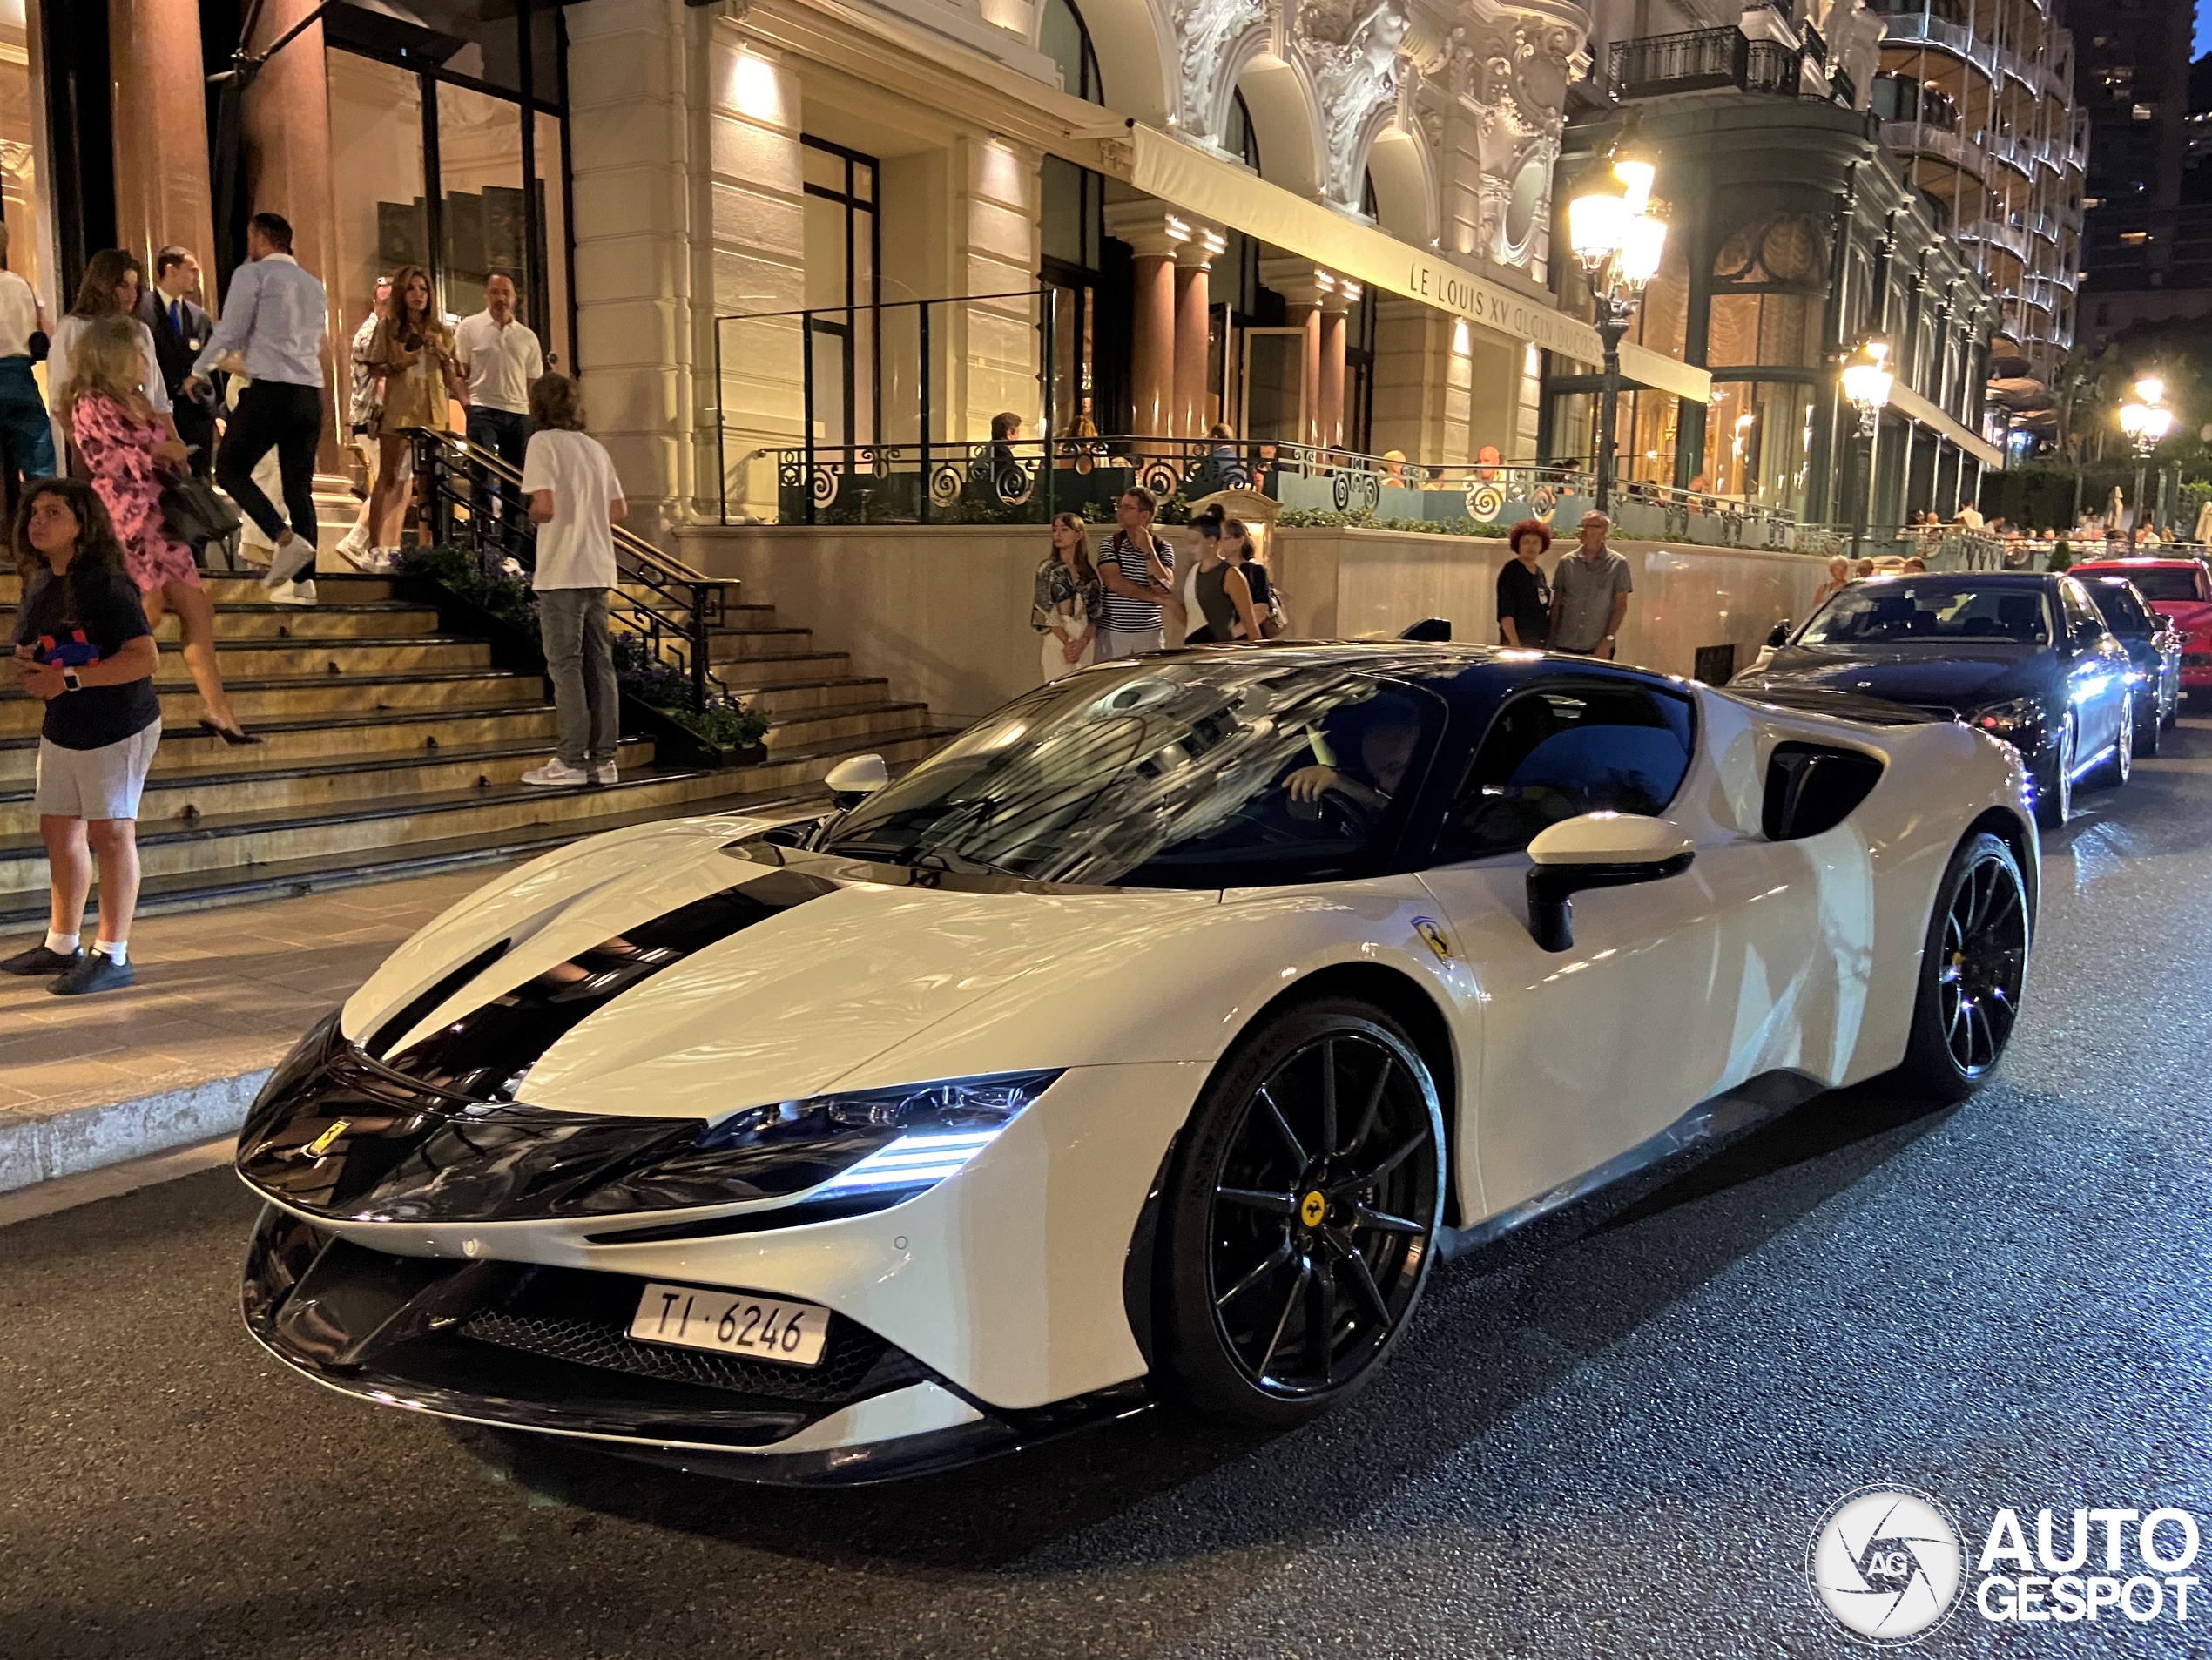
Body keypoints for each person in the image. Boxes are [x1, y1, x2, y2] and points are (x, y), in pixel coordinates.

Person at [2, 478, 162, 995]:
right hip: (65, 723)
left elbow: (144, 658)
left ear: (83, 523)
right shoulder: (42, 582)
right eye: (33, 514)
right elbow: (36, 649)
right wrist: (27, 667)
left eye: (53, 511)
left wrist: (67, 678)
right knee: (59, 831)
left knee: (111, 835)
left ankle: (113, 954)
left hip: (117, 722)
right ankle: (61, 942)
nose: (38, 522)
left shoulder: (107, 585)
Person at [62, 317, 253, 745]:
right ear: (111, 358)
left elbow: (161, 447)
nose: (144, 363)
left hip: (163, 517)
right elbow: (105, 463)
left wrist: (175, 453)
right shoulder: (91, 403)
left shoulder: (140, 402)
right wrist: (155, 451)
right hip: (127, 519)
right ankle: (97, 689)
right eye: (136, 354)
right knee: (145, 612)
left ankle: (219, 711)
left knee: (198, 609)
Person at [184, 212, 328, 596]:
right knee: (300, 489)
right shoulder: (315, 286)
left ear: (260, 238)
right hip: (310, 395)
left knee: (229, 467)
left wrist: (198, 370)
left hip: (271, 391)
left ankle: (283, 540)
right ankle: (306, 583)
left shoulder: (253, 275)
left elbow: (229, 330)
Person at [518, 372, 624, 787]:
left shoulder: (542, 443)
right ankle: (604, 759)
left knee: (565, 665)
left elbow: (543, 506)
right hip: (599, 566)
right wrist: (587, 513)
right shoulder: (595, 449)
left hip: (562, 568)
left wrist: (531, 516)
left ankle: (570, 761)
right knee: (600, 665)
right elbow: (618, 510)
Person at [361, 264, 463, 564]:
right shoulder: (389, 327)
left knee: (430, 481)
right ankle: (375, 546)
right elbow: (374, 366)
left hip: (432, 410)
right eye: (412, 289)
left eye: (424, 289)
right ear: (402, 293)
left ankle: (427, 547)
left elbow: (451, 378)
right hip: (399, 408)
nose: (418, 295)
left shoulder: (442, 332)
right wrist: (403, 361)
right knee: (389, 477)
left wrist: (444, 358)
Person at [49, 249, 174, 469]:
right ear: (102, 285)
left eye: (135, 287)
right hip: (98, 445)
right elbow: (60, 396)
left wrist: (173, 440)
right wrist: (79, 445)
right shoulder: (73, 329)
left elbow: (158, 396)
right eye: (123, 285)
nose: (131, 294)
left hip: (145, 444)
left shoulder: (140, 330)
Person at [454, 273, 543, 552]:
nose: (500, 298)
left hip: (518, 413)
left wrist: (532, 414)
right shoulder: (470, 328)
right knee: (480, 474)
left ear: (514, 298)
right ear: (486, 295)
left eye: (505, 293)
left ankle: (512, 546)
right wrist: (466, 402)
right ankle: (480, 541)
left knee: (514, 481)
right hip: (482, 409)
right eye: (494, 292)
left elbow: (533, 381)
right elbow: (458, 370)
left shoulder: (527, 337)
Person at [138, 246, 218, 479]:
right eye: (191, 270)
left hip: (195, 414)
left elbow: (211, 365)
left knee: (200, 482)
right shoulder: (141, 310)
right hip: (156, 412)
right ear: (171, 270)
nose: (196, 277)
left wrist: (216, 412)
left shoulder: (198, 316)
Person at [335, 275, 392, 565]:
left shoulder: (382, 331)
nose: (389, 307)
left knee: (395, 483)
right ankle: (361, 542)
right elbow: (381, 381)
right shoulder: (372, 333)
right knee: (391, 483)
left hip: (376, 421)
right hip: (374, 422)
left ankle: (376, 548)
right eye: (384, 302)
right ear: (376, 303)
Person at [0, 221, 55, 518]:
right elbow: (47, 334)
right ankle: (46, 524)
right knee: (38, 460)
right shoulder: (22, 285)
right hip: (19, 377)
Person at [1095, 486, 1177, 659]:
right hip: (1114, 632)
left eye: (1128, 508)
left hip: (1150, 634)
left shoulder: (1163, 548)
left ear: (1145, 515)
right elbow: (1115, 583)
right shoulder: (1111, 544)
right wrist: (1154, 597)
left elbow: (1165, 585)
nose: (1120, 512)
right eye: (1120, 506)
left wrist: (1148, 551)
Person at [1163, 511, 1260, 645]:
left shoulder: (1231, 575)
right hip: (1193, 650)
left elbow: (1251, 627)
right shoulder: (1194, 572)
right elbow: (1191, 622)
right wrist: (1169, 601)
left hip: (1220, 654)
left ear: (1211, 541)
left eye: (1196, 542)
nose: (1192, 549)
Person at [1548, 509, 1633, 658]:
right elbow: (1557, 603)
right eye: (1582, 526)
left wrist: (1608, 639)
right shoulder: (1566, 562)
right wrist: (1551, 639)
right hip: (1565, 644)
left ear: (1603, 530)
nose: (1584, 530)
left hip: (1597, 647)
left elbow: (1621, 607)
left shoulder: (1618, 564)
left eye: (1590, 526)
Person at [1032, 510, 1101, 680]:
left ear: (1078, 534)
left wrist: (1083, 641)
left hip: (1084, 636)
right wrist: (1068, 642)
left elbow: (1096, 613)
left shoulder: (1087, 572)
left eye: (1064, 530)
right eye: (1055, 530)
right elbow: (1045, 609)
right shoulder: (1048, 569)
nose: (1058, 535)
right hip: (1058, 636)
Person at [1496, 518, 1553, 648]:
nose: (1531, 546)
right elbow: (1505, 612)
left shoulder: (1539, 572)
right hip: (1517, 642)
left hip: (1538, 641)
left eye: (1535, 542)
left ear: (1542, 546)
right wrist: (1514, 642)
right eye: (1526, 542)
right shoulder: (1511, 570)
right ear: (1518, 545)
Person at [1219, 519, 1278, 638]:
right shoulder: (1215, 571)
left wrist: (1230, 635)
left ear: (1239, 541)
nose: (1219, 543)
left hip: (1246, 641)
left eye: (1224, 538)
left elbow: (1260, 611)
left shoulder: (1255, 572)